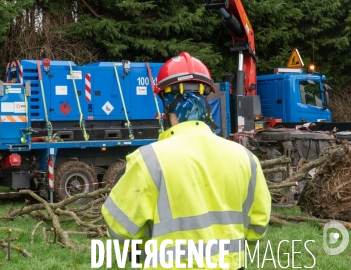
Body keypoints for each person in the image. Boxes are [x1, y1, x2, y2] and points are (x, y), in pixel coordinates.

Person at [102, 52, 271, 269]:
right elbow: (258, 226)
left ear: (166, 105)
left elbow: (119, 227)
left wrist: (142, 251)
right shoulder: (245, 159)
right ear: (206, 101)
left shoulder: (148, 160)